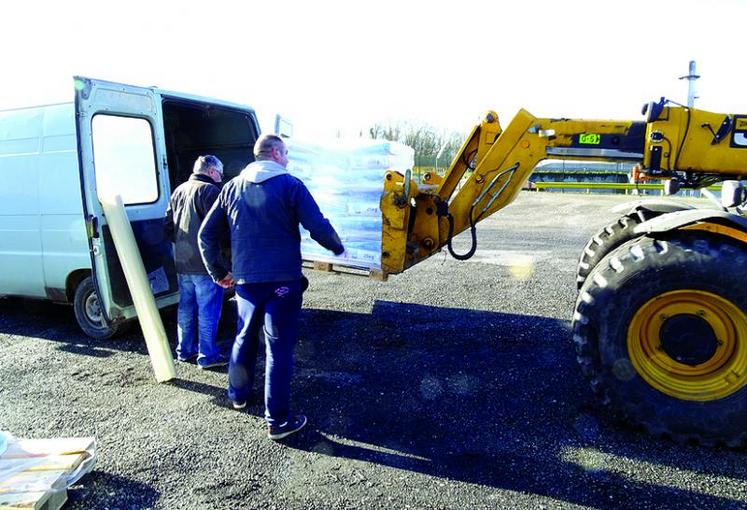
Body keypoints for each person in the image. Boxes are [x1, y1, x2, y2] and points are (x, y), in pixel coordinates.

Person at [199, 134, 344, 440]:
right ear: (276, 153)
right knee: (278, 348)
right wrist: (337, 248)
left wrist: (218, 272)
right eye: (286, 153)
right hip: (283, 284)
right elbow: (316, 225)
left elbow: (206, 235)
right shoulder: (291, 185)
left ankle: (238, 395)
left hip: (246, 282)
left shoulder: (231, 187)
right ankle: (277, 420)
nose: (288, 159)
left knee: (243, 337)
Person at [164, 155, 231, 369]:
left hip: (183, 263)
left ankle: (184, 350)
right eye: (220, 173)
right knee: (208, 309)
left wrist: (183, 245)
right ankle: (208, 356)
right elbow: (220, 229)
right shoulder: (210, 191)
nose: (221, 177)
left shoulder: (179, 190)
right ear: (211, 171)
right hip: (206, 264)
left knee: (186, 307)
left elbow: (167, 226)